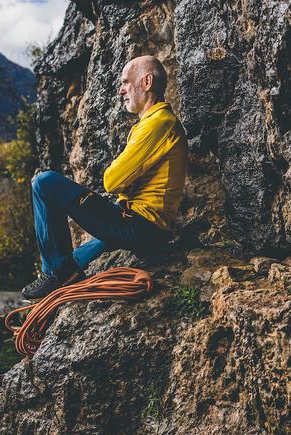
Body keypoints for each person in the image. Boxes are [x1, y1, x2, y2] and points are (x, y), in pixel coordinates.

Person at [21, 55, 189, 299]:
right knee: (78, 256)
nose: (121, 90)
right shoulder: (154, 123)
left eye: (125, 83)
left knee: (45, 183)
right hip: (142, 223)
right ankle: (63, 273)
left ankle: (56, 273)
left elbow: (112, 180)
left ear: (147, 82)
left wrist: (119, 178)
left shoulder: (159, 122)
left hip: (142, 226)